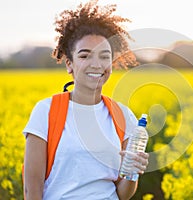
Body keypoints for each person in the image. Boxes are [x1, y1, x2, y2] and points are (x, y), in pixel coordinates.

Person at [23, 1, 149, 199]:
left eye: (104, 56)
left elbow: (123, 194)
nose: (96, 64)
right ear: (69, 64)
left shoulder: (124, 116)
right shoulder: (46, 111)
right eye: (85, 56)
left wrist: (133, 175)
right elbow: (32, 190)